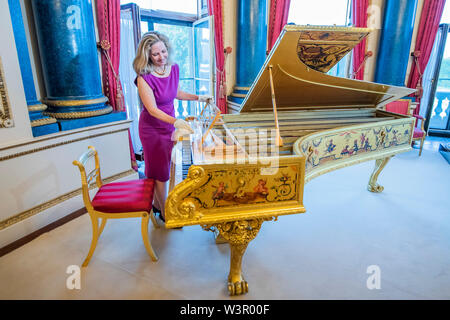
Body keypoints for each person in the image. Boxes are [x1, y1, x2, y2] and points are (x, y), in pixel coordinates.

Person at [133, 31, 211, 223]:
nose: (161, 57)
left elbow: (175, 92)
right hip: (152, 129)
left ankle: (158, 205)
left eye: (163, 51)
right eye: (155, 54)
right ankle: (167, 213)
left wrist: (199, 98)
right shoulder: (143, 78)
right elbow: (151, 109)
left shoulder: (173, 68)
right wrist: (175, 121)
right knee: (160, 172)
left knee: (166, 168)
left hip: (168, 126)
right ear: (147, 56)